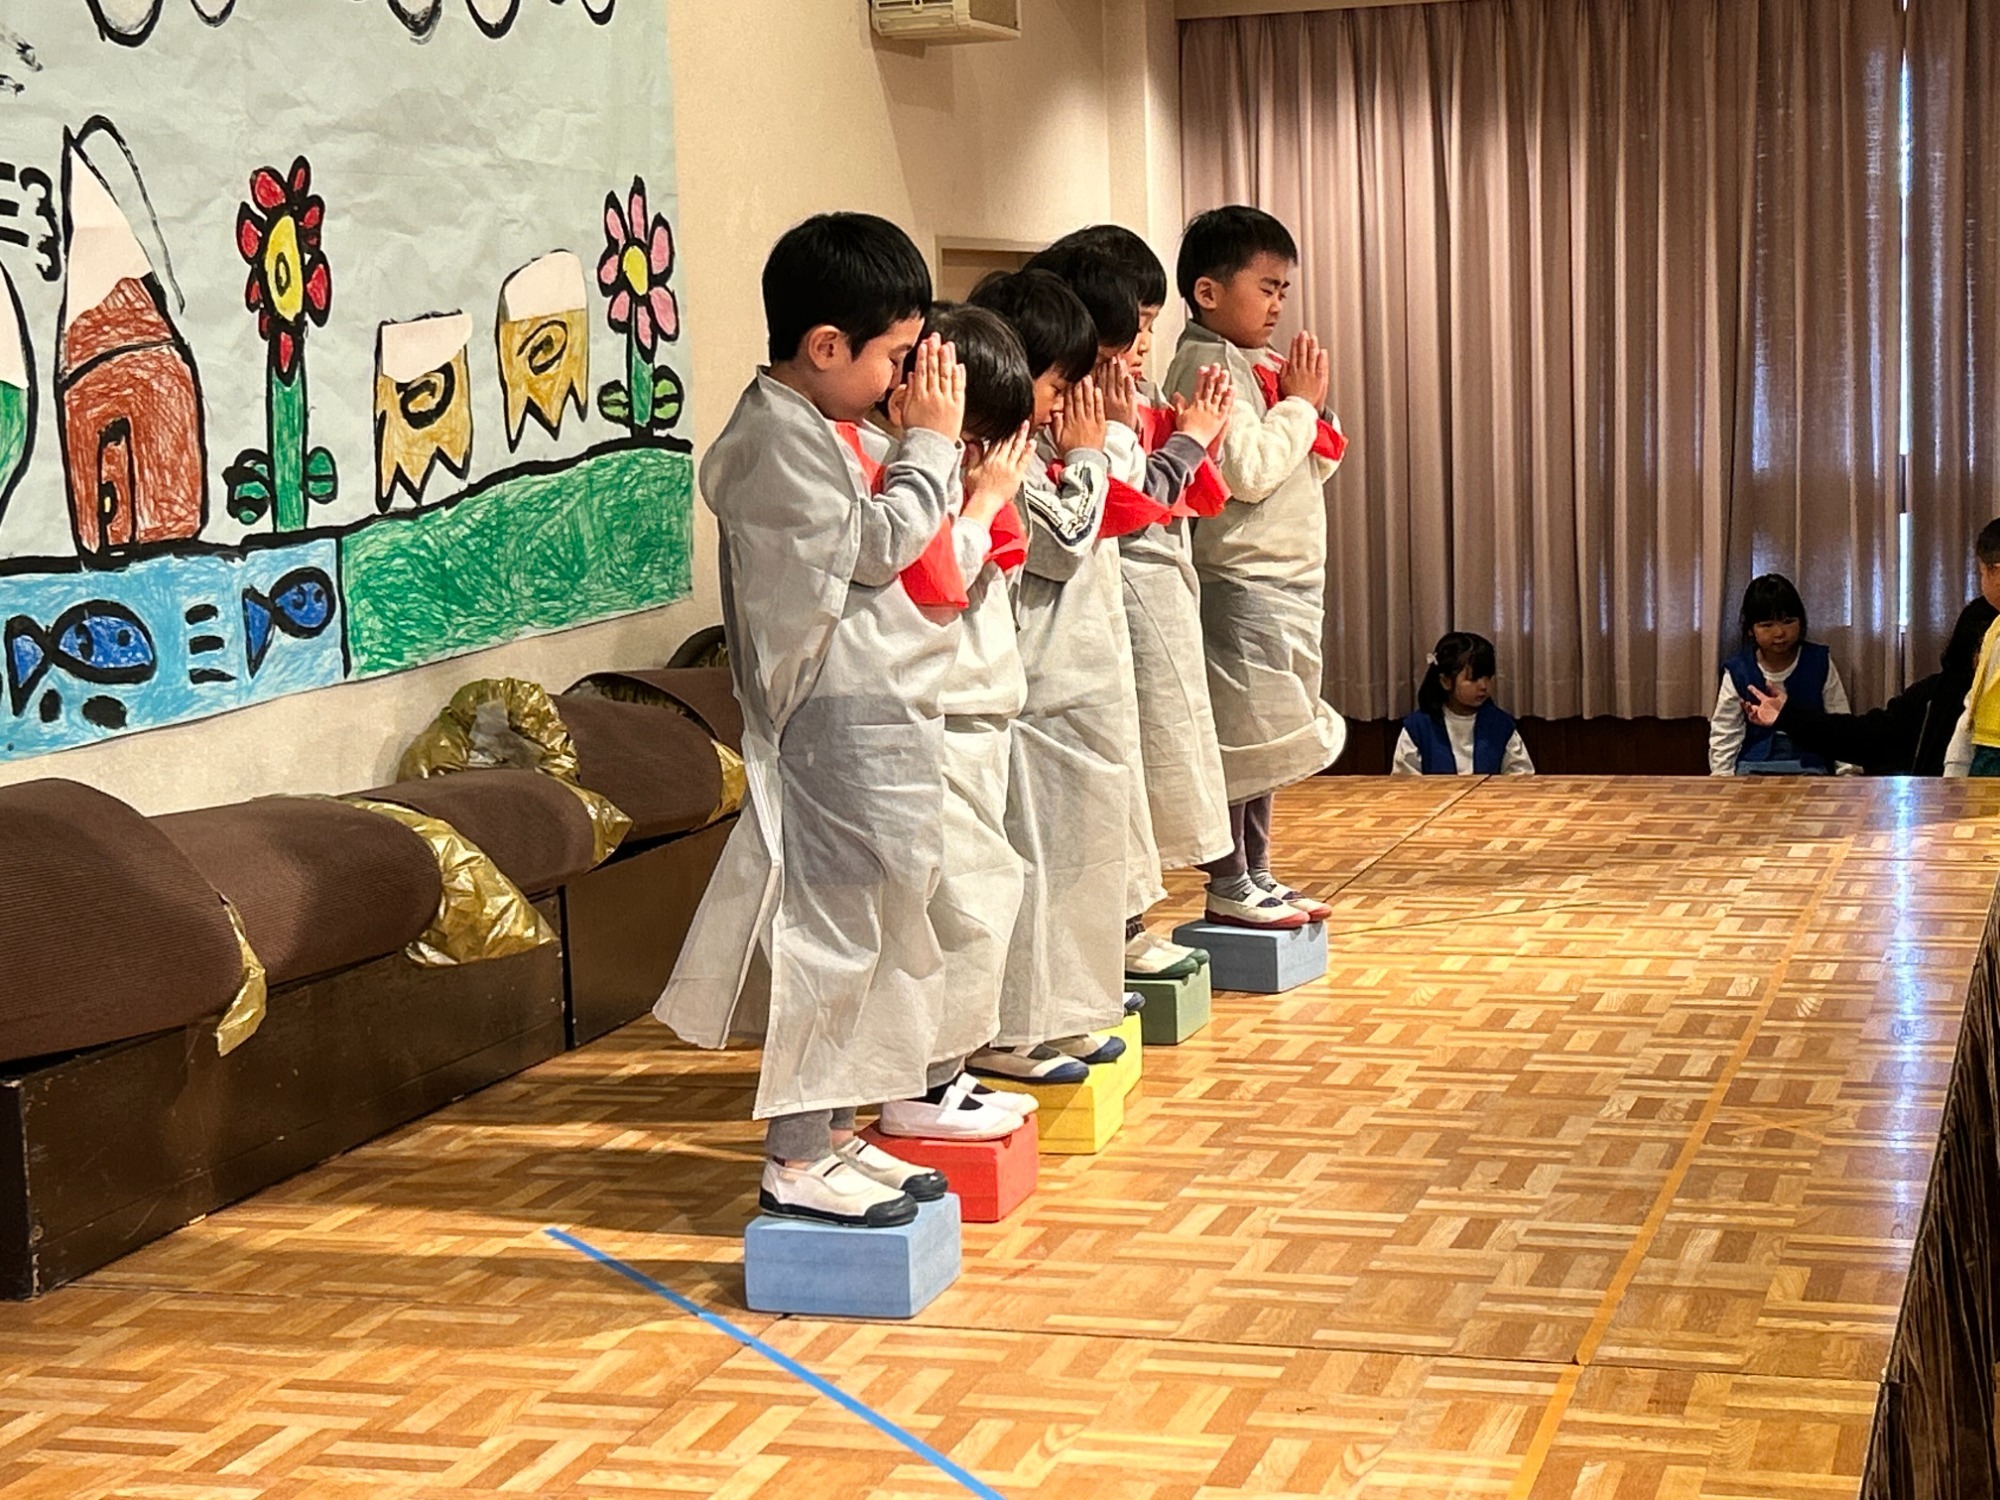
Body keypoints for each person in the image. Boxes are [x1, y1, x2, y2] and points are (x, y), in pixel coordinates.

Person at [653, 213, 965, 1228]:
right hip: (827, 727)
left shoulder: (828, 421)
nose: (903, 379)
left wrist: (915, 439)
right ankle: (793, 1158)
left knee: (873, 935)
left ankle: (832, 1133)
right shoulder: (769, 440)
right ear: (826, 345)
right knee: (829, 941)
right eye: (894, 356)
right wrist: (929, 444)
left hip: (872, 719)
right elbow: (877, 546)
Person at [841, 303, 1052, 1137]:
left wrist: (989, 497)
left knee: (983, 899)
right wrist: (982, 500)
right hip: (934, 721)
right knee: (959, 909)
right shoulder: (897, 472)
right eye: (971, 437)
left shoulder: (942, 472)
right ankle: (919, 1087)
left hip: (980, 716)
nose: (979, 456)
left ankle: (947, 1073)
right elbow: (928, 593)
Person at [1028, 227, 1234, 982]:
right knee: (1083, 806)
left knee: (1122, 788)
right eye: (1132, 332)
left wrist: (1187, 438)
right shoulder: (1070, 415)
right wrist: (1133, 441)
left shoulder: (1113, 399)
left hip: (1111, 618)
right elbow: (1108, 509)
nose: (1143, 348)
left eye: (1147, 327)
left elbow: (1157, 496)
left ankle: (1125, 928)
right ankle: (1104, 944)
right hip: (1066, 639)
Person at [963, 268, 1132, 1082]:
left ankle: (1061, 1012)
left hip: (1073, 688)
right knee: (1028, 870)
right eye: (1058, 383)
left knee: (1076, 867)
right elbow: (1063, 542)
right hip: (1030, 694)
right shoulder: (999, 457)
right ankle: (1008, 1030)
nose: (1066, 402)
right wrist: (1091, 456)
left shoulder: (1033, 452)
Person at [1162, 206, 1347, 930]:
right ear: (1209, 292)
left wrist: (1308, 411)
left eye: (1283, 290)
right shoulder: (1204, 363)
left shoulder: (1250, 361)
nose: (1277, 305)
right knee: (1240, 741)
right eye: (1265, 288)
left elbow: (1305, 469)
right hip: (1241, 579)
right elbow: (1249, 471)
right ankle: (1228, 879)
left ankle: (1258, 870)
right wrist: (1298, 408)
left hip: (1286, 577)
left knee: (1268, 738)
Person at [1709, 573, 1854, 776]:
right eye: (1767, 625)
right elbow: (1726, 731)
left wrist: (1848, 774)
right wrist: (1722, 777)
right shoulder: (1738, 670)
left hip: (1810, 766)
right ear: (1750, 629)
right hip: (1753, 768)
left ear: (1801, 622)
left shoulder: (1818, 661)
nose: (1779, 633)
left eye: (1788, 621)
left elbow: (1840, 722)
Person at [1392, 632, 1535, 776]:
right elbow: (1405, 782)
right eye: (1473, 679)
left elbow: (1521, 777)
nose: (1483, 686)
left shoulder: (1500, 724)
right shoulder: (1418, 727)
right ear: (1446, 681)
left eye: (1488, 677)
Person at [1941, 521, 2000, 777]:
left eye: (1982, 572)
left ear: (1995, 572)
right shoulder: (1994, 629)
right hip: (1986, 746)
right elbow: (1973, 702)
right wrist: (1955, 768)